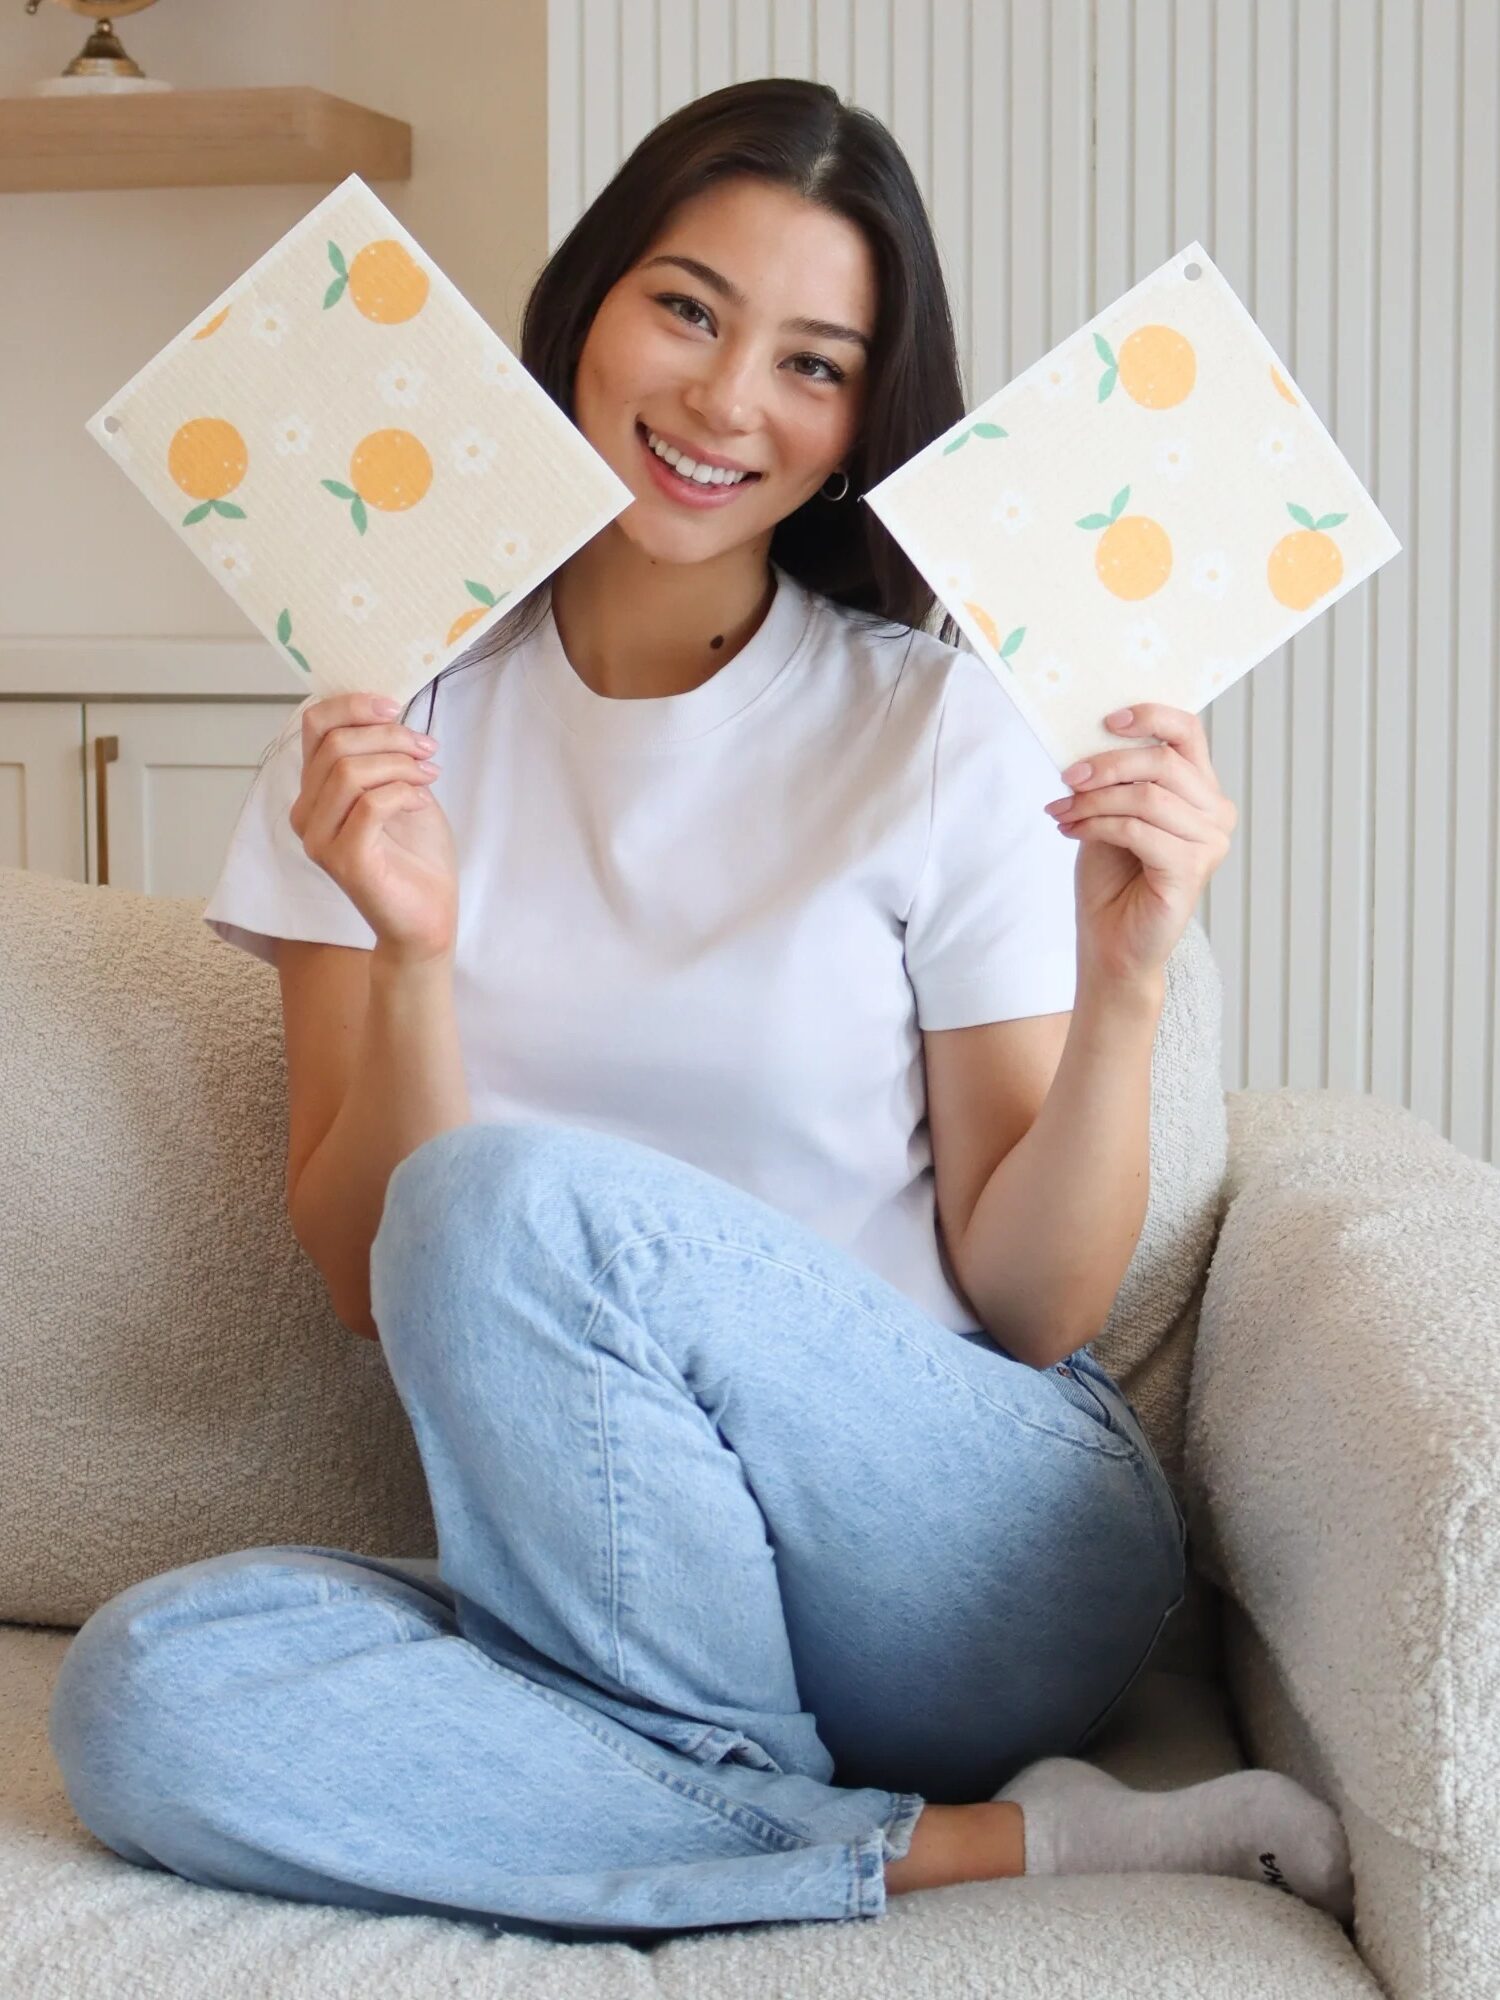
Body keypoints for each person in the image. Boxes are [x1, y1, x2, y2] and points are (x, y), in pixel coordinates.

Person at [48, 76, 1351, 1947]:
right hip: (620, 1582)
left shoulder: (933, 720)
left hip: (967, 1545)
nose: (730, 401)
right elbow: (363, 1272)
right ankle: (917, 1843)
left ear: (859, 427)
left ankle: (700, 1802)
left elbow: (1034, 1301)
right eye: (687, 309)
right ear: (585, 310)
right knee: (145, 1696)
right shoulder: (380, 724)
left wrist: (1129, 980)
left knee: (505, 1193)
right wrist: (414, 945)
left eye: (815, 364)